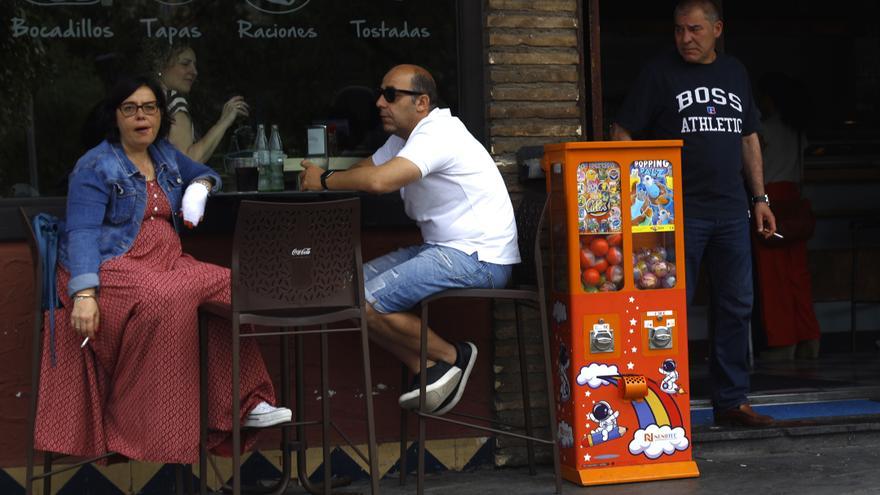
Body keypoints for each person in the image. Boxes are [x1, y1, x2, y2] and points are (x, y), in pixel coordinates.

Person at [34, 75, 290, 464]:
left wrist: (199, 188)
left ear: (160, 115)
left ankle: (245, 403)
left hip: (167, 264)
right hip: (112, 266)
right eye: (131, 108)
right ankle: (144, 428)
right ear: (115, 116)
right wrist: (84, 294)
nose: (142, 116)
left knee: (230, 289)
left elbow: (207, 172)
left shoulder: (165, 155)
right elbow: (82, 232)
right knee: (167, 296)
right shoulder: (96, 164)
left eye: (149, 108)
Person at [300, 64, 520, 415]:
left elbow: (378, 183)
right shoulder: (405, 140)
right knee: (347, 293)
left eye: (390, 95)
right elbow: (366, 172)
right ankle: (429, 368)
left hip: (479, 258)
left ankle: (452, 356)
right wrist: (329, 176)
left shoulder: (438, 134)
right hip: (445, 250)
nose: (379, 103)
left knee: (366, 298)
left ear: (421, 102)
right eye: (380, 93)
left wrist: (323, 180)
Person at [611, 0, 776, 427]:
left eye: (696, 30)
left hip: (730, 210)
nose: (686, 38)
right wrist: (639, 201)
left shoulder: (735, 72)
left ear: (717, 29)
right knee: (668, 309)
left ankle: (731, 401)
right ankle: (668, 407)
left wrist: (760, 199)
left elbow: (748, 138)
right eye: (680, 30)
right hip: (673, 216)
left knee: (736, 305)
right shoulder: (658, 73)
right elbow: (622, 132)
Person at [753, 72, 821, 360]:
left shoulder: (762, 131)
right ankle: (810, 338)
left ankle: (783, 343)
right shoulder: (797, 131)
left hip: (770, 203)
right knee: (798, 276)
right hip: (795, 202)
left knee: (774, 278)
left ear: (770, 100)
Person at [154, 42, 249, 162]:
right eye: (185, 64)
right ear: (161, 66)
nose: (194, 71)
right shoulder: (174, 102)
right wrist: (224, 121)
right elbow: (187, 163)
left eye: (194, 65)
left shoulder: (148, 98)